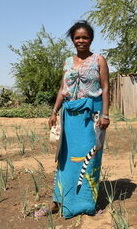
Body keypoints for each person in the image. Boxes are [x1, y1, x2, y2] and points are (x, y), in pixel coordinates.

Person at [34, 20, 110, 219]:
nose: (81, 40)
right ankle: (57, 202)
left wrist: (105, 114)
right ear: (73, 40)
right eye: (77, 37)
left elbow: (106, 87)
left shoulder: (99, 60)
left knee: (89, 159)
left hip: (91, 117)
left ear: (91, 39)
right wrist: (54, 111)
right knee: (65, 161)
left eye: (85, 37)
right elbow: (63, 89)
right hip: (69, 116)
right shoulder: (68, 62)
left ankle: (87, 205)